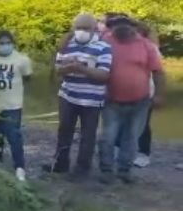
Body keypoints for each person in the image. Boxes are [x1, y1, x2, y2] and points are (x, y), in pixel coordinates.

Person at [43, 13, 112, 180]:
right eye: (78, 28)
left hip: (92, 99)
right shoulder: (67, 44)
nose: (81, 32)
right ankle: (60, 164)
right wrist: (65, 67)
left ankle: (82, 169)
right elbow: (56, 73)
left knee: (87, 135)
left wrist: (81, 68)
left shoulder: (103, 47)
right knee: (64, 131)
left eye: (85, 28)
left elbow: (104, 75)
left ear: (94, 29)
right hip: (68, 95)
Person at [98, 16, 164, 184]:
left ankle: (124, 170)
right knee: (108, 136)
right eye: (115, 25)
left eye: (125, 24)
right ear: (111, 28)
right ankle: (106, 170)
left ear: (133, 27)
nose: (120, 28)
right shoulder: (104, 42)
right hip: (111, 99)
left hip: (140, 101)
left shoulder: (146, 46)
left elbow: (158, 72)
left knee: (131, 137)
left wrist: (159, 95)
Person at [0, 30, 32, 182]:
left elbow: (27, 78)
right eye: (1, 43)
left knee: (14, 136)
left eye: (7, 42)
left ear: (12, 43)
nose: (4, 45)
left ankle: (19, 167)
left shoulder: (22, 60)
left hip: (13, 105)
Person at [133, 23, 161, 168]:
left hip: (145, 92)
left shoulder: (151, 48)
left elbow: (157, 72)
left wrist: (157, 94)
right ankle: (130, 151)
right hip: (128, 92)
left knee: (143, 124)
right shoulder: (128, 46)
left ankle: (144, 154)